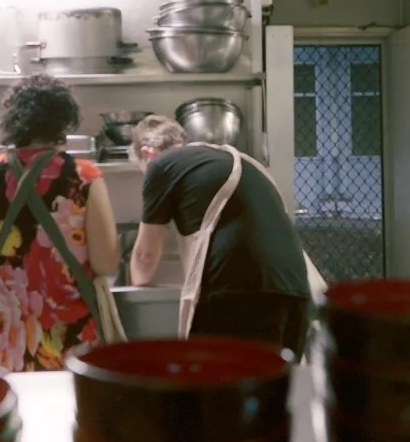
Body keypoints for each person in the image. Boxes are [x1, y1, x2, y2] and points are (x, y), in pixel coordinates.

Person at [0, 75, 120, 371]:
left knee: (14, 415)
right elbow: (106, 263)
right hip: (69, 338)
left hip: (2, 340)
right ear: (64, 122)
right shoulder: (84, 178)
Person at [128, 115, 312, 358]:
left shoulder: (161, 166)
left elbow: (145, 256)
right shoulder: (236, 160)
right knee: (275, 389)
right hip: (296, 290)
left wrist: (134, 291)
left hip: (239, 294)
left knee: (221, 387)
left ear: (148, 152)